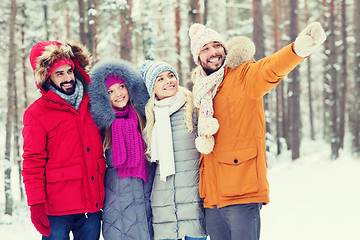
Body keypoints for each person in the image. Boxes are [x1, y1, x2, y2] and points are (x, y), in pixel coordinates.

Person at [188, 22, 326, 240]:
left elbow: (270, 68)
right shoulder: (201, 90)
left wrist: (297, 49)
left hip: (241, 192)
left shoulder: (243, 75)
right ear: (198, 58)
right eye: (205, 48)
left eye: (216, 45)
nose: (213, 52)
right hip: (212, 199)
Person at [22, 41, 106, 240]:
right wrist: (36, 204)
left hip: (92, 205)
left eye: (69, 70)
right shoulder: (36, 113)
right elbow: (32, 162)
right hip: (57, 211)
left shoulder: (92, 103)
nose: (68, 78)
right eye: (59, 73)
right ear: (46, 77)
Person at [138, 60, 207, 240]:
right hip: (163, 207)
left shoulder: (193, 107)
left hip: (193, 201)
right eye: (160, 79)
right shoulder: (149, 118)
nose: (168, 81)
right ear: (152, 88)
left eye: (171, 76)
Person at [89, 58, 155, 240]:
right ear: (103, 95)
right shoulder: (102, 126)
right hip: (117, 202)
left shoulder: (144, 117)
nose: (118, 93)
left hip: (146, 195)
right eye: (110, 91)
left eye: (121, 86)